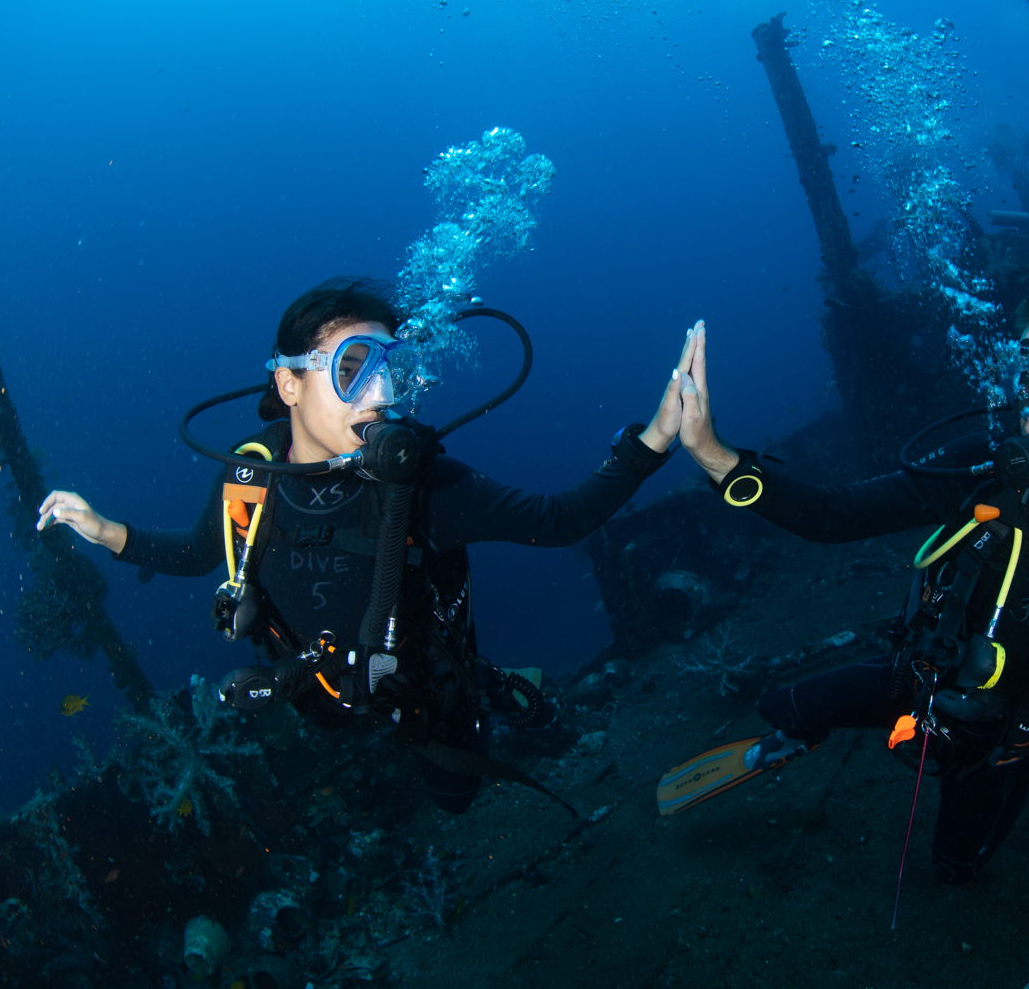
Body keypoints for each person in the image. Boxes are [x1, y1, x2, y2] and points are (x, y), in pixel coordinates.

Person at [36, 279, 693, 815]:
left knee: (456, 796)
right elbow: (199, 553)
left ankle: (488, 686)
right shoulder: (250, 476)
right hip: (314, 689)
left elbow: (559, 521)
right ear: (289, 384)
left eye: (392, 369)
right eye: (354, 369)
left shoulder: (424, 484)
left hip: (421, 690)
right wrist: (104, 531)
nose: (381, 396)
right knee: (331, 739)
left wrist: (656, 438)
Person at [664, 292, 1029, 882]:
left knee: (956, 865)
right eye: (1022, 379)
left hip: (1017, 732)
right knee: (781, 706)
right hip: (928, 674)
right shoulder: (985, 469)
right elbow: (834, 514)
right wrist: (714, 456)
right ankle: (794, 737)